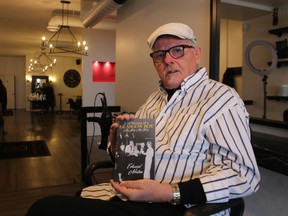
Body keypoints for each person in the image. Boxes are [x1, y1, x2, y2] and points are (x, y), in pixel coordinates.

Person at [26, 22, 260, 216]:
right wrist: (118, 146)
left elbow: (245, 176)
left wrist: (170, 192)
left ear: (197, 54)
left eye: (177, 50)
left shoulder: (221, 99)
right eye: (159, 55)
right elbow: (133, 161)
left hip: (181, 208)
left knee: (46, 209)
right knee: (65, 203)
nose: (168, 60)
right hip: (134, 197)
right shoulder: (153, 101)